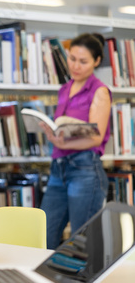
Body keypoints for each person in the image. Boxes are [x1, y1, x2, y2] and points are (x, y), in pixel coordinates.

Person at [39, 33, 111, 249]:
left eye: (83, 61)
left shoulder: (99, 91)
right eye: (72, 58)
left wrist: (64, 144)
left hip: (85, 169)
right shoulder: (64, 89)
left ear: (96, 61)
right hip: (57, 169)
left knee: (81, 241)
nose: (75, 66)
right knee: (43, 235)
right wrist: (52, 134)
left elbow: (96, 137)